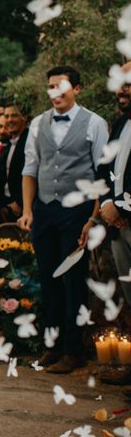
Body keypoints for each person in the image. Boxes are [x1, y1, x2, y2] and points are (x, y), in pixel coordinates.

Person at [18, 65, 108, 374]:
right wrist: (28, 210)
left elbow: (102, 174)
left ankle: (74, 350)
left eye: (62, 86)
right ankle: (51, 345)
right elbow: (30, 169)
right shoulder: (37, 123)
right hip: (44, 210)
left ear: (77, 89)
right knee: (48, 279)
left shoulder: (95, 123)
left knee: (73, 280)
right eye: (51, 86)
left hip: (78, 211)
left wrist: (93, 218)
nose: (55, 92)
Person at [98, 61, 131, 386]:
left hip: (127, 219)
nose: (122, 89)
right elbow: (105, 168)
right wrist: (108, 202)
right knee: (129, 295)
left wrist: (120, 206)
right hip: (118, 225)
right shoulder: (121, 124)